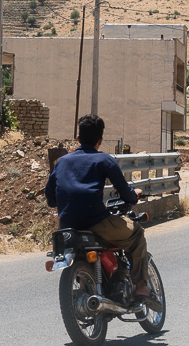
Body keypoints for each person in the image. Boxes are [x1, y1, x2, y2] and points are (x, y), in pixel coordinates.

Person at [44, 114, 160, 311]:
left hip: (67, 226)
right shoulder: (104, 159)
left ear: (78, 139)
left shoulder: (61, 162)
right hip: (96, 221)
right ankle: (141, 287)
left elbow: (50, 198)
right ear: (100, 140)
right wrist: (135, 194)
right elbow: (127, 194)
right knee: (137, 233)